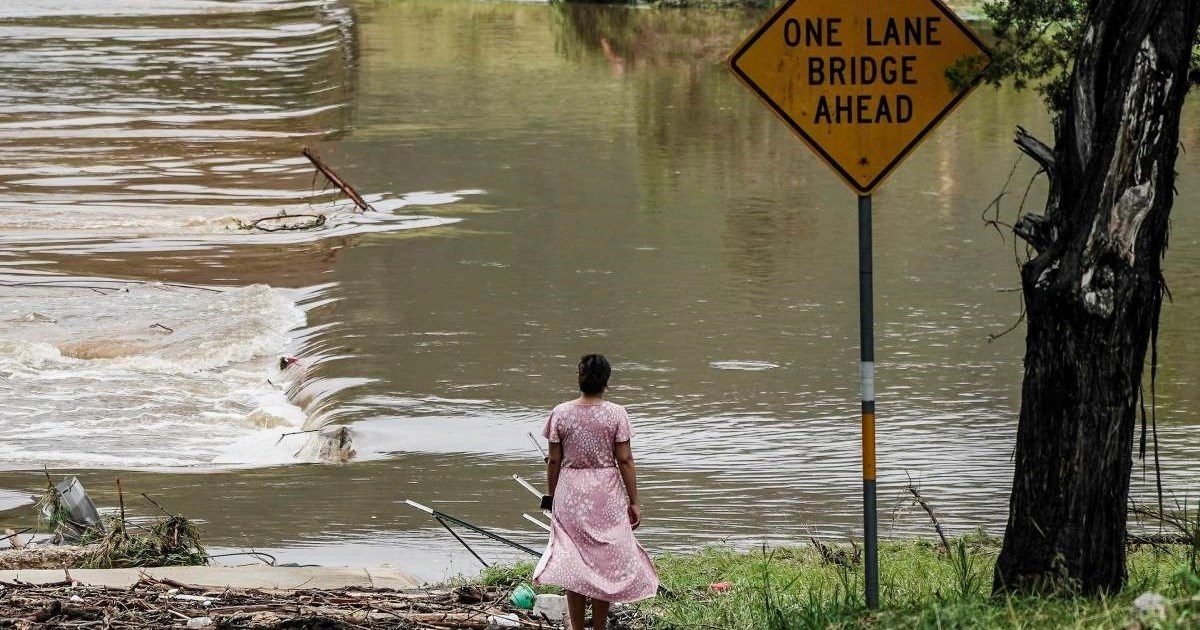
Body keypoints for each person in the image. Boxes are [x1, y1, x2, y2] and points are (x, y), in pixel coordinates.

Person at [533, 354, 658, 630]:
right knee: (605, 562)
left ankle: (578, 628)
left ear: (580, 378)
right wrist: (634, 501)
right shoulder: (616, 414)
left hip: (571, 493)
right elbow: (625, 459)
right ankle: (599, 627)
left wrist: (553, 497)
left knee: (575, 563)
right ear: (606, 382)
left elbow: (554, 461)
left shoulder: (561, 413)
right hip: (606, 494)